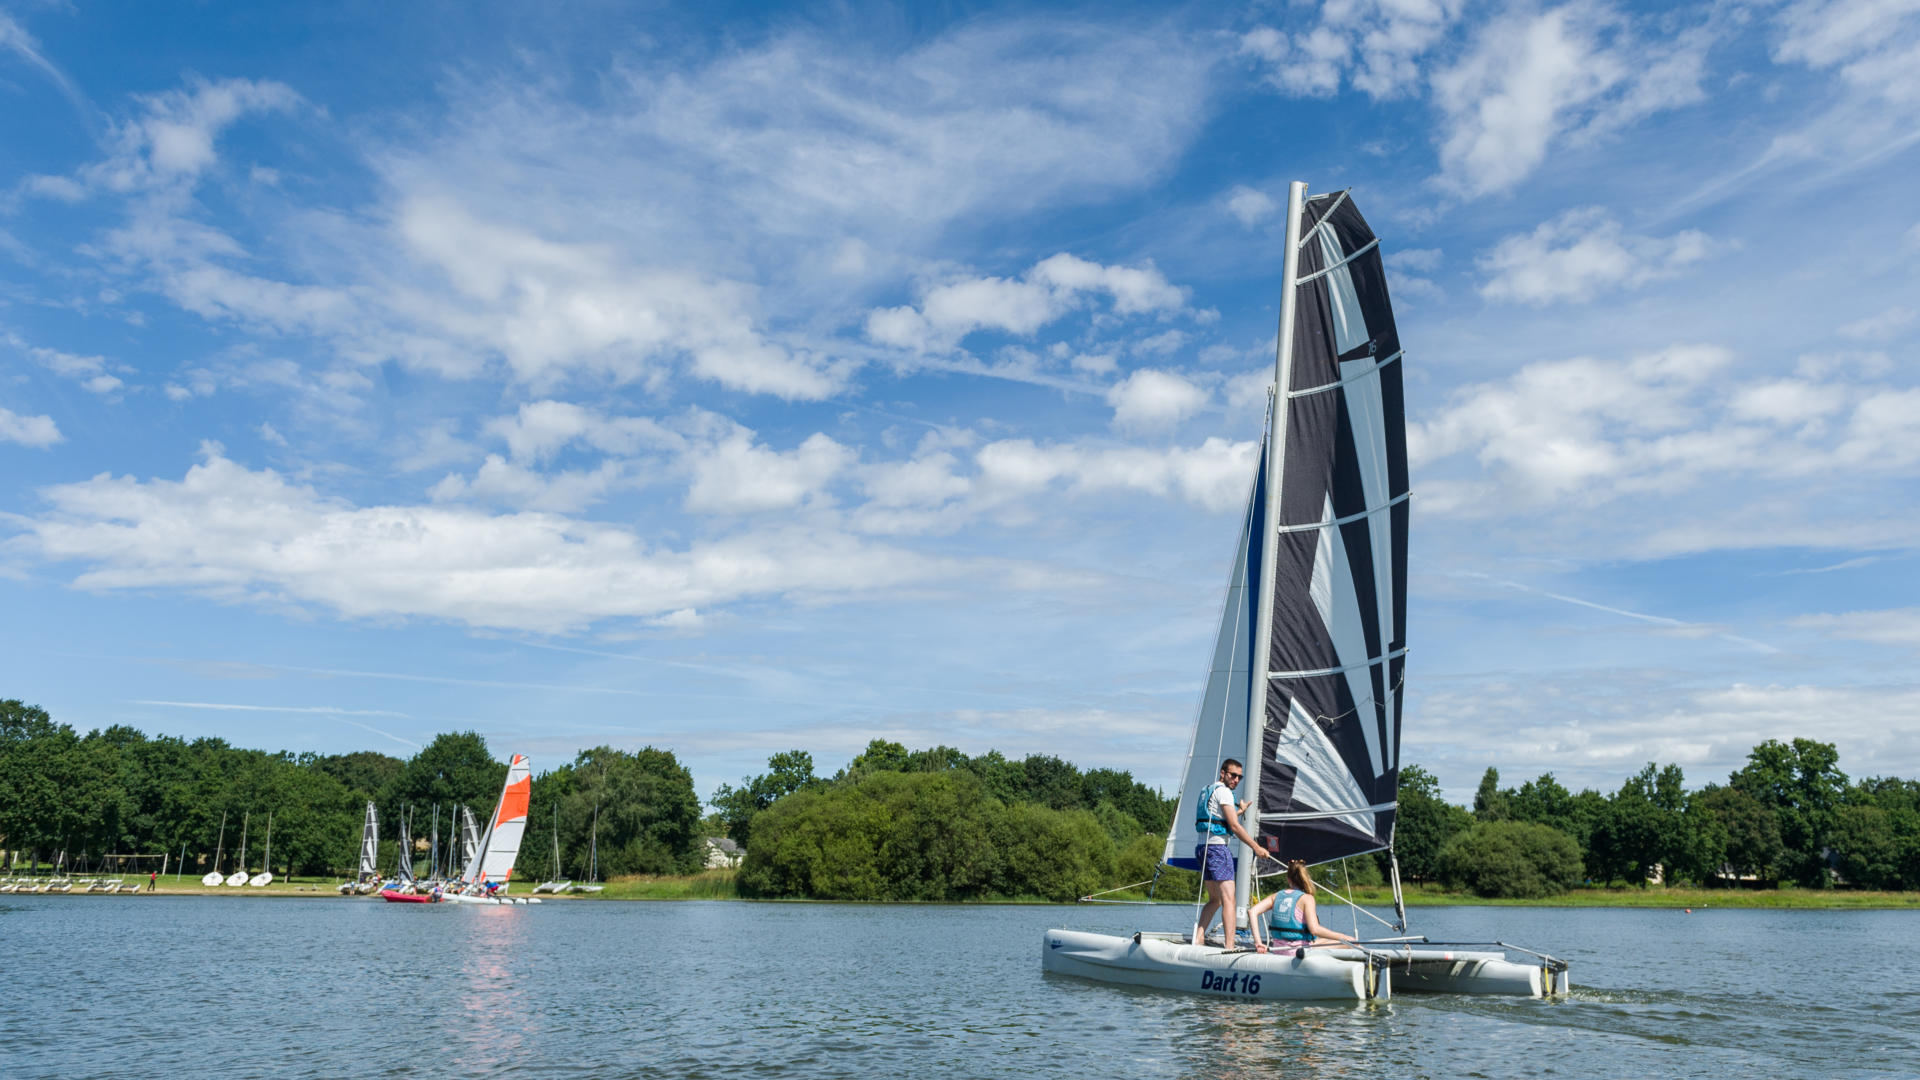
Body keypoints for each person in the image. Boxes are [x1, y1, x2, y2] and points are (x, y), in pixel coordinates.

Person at [1193, 758, 1269, 949]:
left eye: (1239, 777)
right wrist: (1256, 847)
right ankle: (1230, 946)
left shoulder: (1207, 790)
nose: (1236, 780)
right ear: (1223, 773)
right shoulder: (1225, 792)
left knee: (1215, 899)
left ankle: (1198, 938)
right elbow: (1234, 826)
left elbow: (1220, 816)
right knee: (1229, 900)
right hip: (1217, 849)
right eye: (1233, 775)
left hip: (1202, 848)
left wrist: (1240, 810)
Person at [1249, 860, 1355, 953]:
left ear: (1288, 879)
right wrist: (1343, 937)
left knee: (1322, 941)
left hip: (1278, 949)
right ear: (1306, 878)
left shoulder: (1276, 896)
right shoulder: (1307, 899)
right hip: (1299, 952)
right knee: (1352, 943)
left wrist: (1258, 943)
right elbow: (1315, 930)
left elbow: (1252, 911)